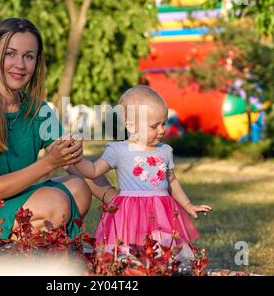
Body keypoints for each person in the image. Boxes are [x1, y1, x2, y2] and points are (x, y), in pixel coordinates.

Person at [0, 18, 117, 242]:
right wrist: (49, 163)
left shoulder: (37, 109)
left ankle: (20, 249)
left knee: (79, 188)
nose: (20, 65)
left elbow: (77, 165)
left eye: (28, 56)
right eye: (10, 54)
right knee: (55, 203)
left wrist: (116, 199)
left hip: (8, 204)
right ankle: (12, 255)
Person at [74, 85, 212, 257]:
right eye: (155, 126)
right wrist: (77, 158)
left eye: (164, 123)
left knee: (163, 254)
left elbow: (172, 181)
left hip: (161, 212)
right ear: (131, 126)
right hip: (129, 214)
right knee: (129, 253)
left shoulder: (165, 150)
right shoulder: (119, 150)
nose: (162, 130)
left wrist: (188, 205)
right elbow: (94, 170)